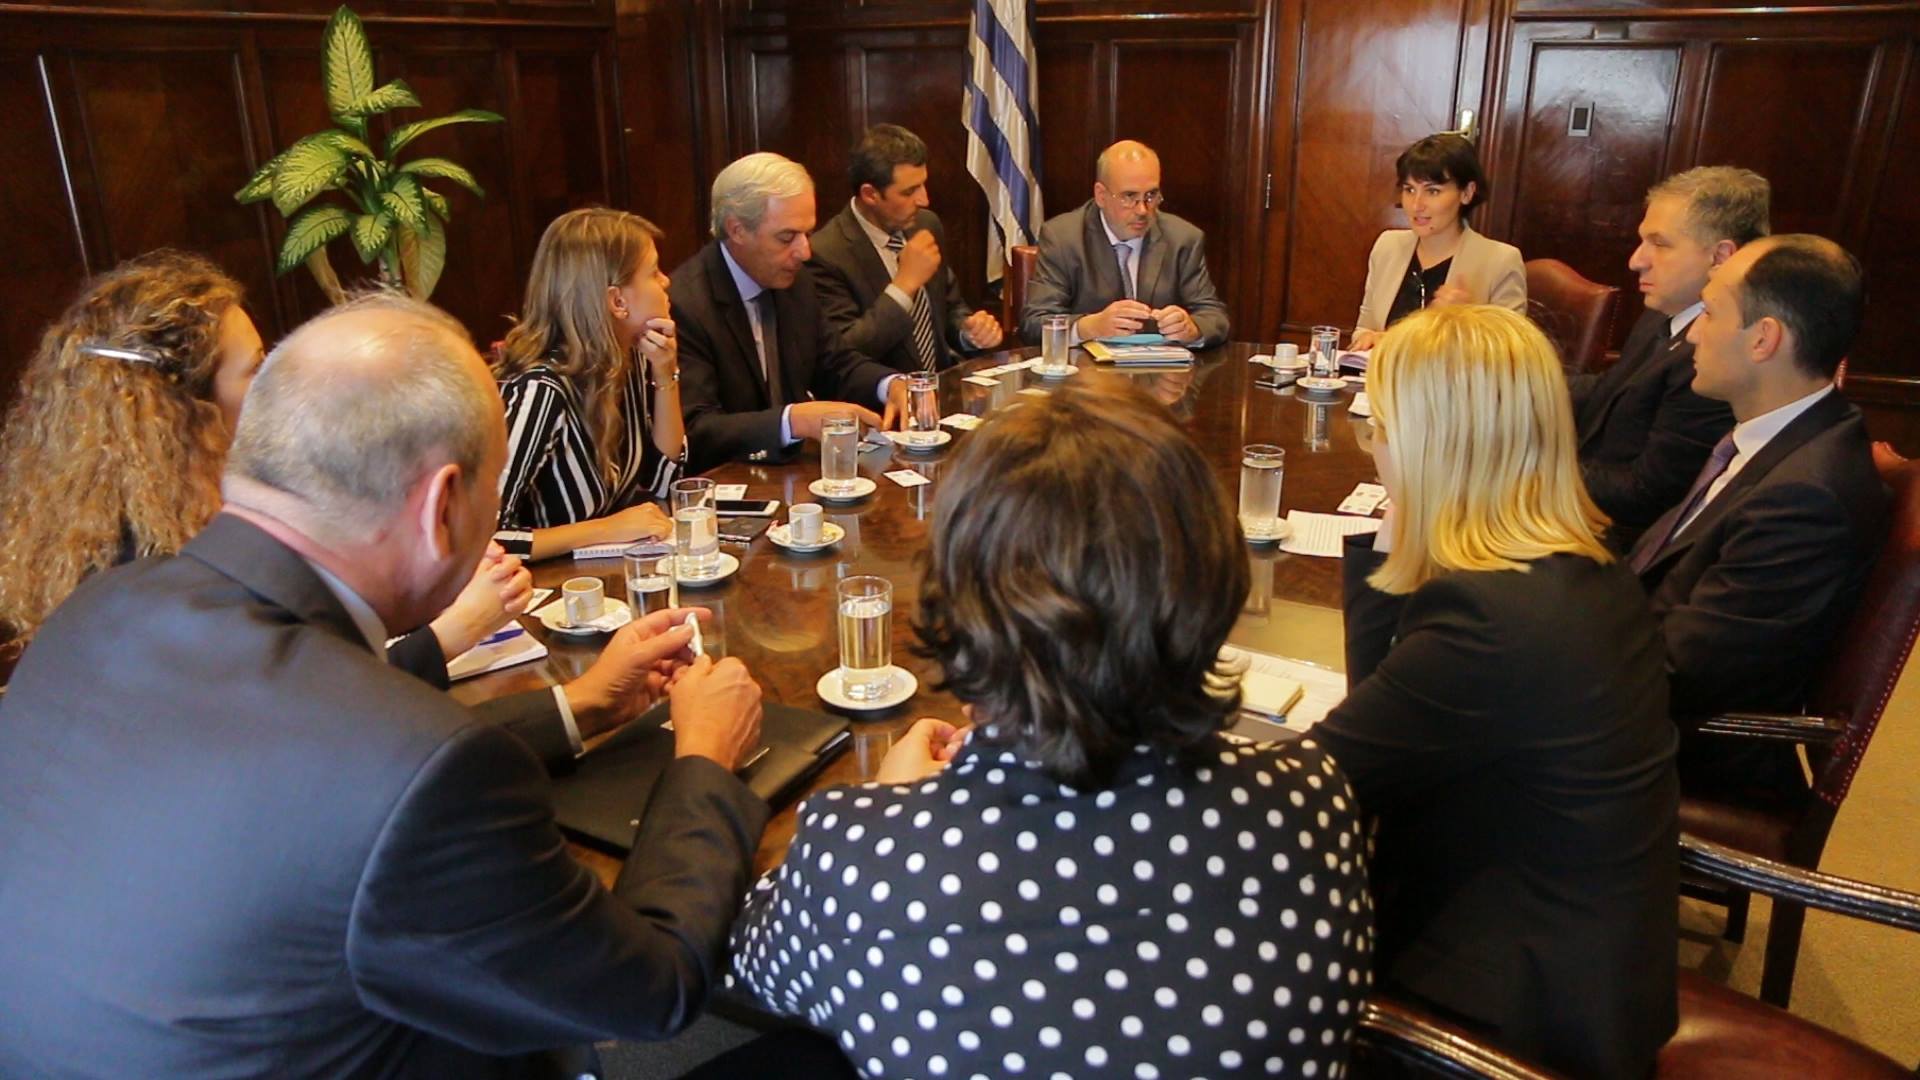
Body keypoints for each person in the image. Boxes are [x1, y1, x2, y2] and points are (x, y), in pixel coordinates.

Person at [0, 292, 770, 1077]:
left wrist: (581, 706)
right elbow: (649, 994)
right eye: (495, 484)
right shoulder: (420, 767)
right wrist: (704, 761)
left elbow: (333, 769)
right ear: (442, 507)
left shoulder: (98, 610)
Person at [729, 379, 1372, 1079]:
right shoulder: (1312, 799)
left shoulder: (863, 858)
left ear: (961, 603)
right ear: (1213, 577)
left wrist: (891, 811)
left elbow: (742, 961)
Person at [1315, 305, 1678, 1078]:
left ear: (1433, 445)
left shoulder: (1489, 619)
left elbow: (1320, 784)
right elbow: (1382, 727)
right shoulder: (1581, 568)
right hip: (1597, 971)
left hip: (1512, 1016)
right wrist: (1396, 536)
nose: (1375, 448)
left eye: (1380, 428)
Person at [0, 251, 516, 669]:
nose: (274, 382)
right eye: (255, 369)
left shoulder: (166, 508)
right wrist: (449, 635)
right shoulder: (145, 560)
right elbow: (295, 704)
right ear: (186, 406)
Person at [1631, 234, 1887, 805]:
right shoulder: (1778, 437)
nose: (1692, 333)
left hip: (1677, 756)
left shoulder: (1805, 499)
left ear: (1764, 339)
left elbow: (1679, 674)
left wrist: (1541, 658)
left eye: (1710, 313)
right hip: (1639, 680)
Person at [672, 152, 909, 468]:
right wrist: (793, 421)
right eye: (787, 237)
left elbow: (834, 363)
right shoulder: (686, 304)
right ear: (737, 230)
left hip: (792, 476)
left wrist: (890, 385)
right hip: (728, 479)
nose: (804, 251)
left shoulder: (794, 280)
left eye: (807, 234)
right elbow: (696, 430)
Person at [1569, 167, 1761, 551]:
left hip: (1619, 544)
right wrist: (1514, 380)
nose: (1636, 261)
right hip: (1584, 515)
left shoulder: (1717, 358)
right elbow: (1609, 391)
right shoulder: (1665, 312)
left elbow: (1647, 493)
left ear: (1721, 256)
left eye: (1659, 244)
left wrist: (1526, 471)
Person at [493, 207, 688, 561]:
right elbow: (489, 539)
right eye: (654, 272)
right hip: (546, 586)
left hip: (609, 575)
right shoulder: (541, 391)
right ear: (617, 301)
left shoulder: (629, 362)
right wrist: (605, 529)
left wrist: (665, 376)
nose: (666, 281)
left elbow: (663, 484)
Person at [807, 123, 1004, 373]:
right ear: (870, 194)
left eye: (922, 185)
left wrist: (969, 331)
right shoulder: (825, 254)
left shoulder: (926, 225)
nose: (924, 200)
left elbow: (949, 307)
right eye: (909, 192)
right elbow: (845, 354)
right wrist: (903, 287)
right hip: (881, 393)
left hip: (941, 385)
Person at [1020, 139, 1230, 346]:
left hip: (1160, 367)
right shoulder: (1063, 238)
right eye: (1129, 196)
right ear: (1101, 195)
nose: (1142, 210)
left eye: (1151, 195)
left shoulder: (1182, 239)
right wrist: (1088, 327)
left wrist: (1192, 328)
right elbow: (1034, 323)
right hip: (1087, 368)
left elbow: (1215, 317)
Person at [1349, 133, 1524, 351]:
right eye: (1409, 190)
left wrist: (1465, 323)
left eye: (1433, 191)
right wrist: (1367, 338)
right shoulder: (1388, 246)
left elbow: (1512, 355)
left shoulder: (1500, 261)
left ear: (1467, 193)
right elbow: (1364, 327)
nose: (1416, 205)